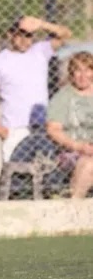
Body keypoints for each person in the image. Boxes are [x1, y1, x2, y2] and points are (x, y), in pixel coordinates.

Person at [0, 15, 72, 164]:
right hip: (14, 128)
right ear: (10, 35)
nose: (25, 40)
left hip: (42, 126)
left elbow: (66, 34)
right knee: (15, 175)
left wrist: (41, 24)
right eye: (20, 35)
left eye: (29, 35)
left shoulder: (40, 51)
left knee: (44, 173)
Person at [46, 51, 93, 199]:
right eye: (78, 70)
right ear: (71, 73)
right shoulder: (63, 97)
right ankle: (72, 209)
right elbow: (53, 130)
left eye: (88, 70)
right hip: (71, 152)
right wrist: (78, 146)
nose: (83, 75)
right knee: (89, 163)